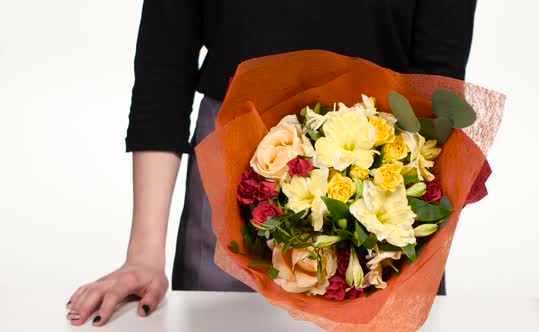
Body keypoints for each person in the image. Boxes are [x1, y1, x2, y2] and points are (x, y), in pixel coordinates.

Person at [66, 0, 477, 326]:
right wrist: (143, 256)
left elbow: (438, 87)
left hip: (383, 182)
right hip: (230, 173)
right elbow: (164, 69)